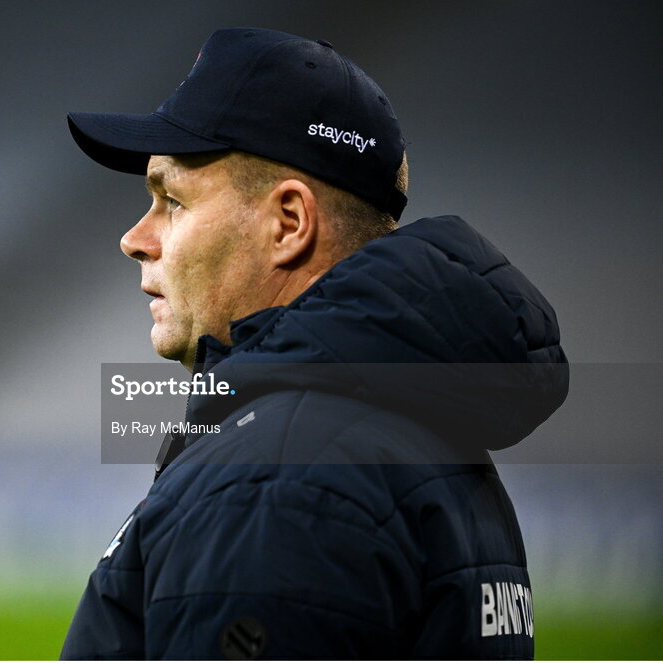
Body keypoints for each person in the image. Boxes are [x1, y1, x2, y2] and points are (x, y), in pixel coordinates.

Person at [61, 28, 567, 659]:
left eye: (172, 200)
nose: (135, 238)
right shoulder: (422, 440)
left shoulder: (275, 484)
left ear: (289, 223)